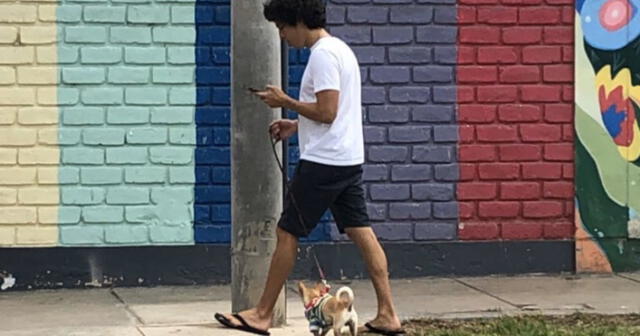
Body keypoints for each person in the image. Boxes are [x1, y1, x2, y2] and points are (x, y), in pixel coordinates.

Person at [214, 0, 405, 335]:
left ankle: (261, 314)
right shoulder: (341, 50)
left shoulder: (323, 55)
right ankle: (388, 313)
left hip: (323, 163)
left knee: (287, 232)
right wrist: (295, 124)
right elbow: (334, 113)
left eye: (283, 28)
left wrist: (284, 100)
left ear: (299, 21)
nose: (283, 36)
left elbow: (328, 112)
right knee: (363, 233)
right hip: (346, 159)